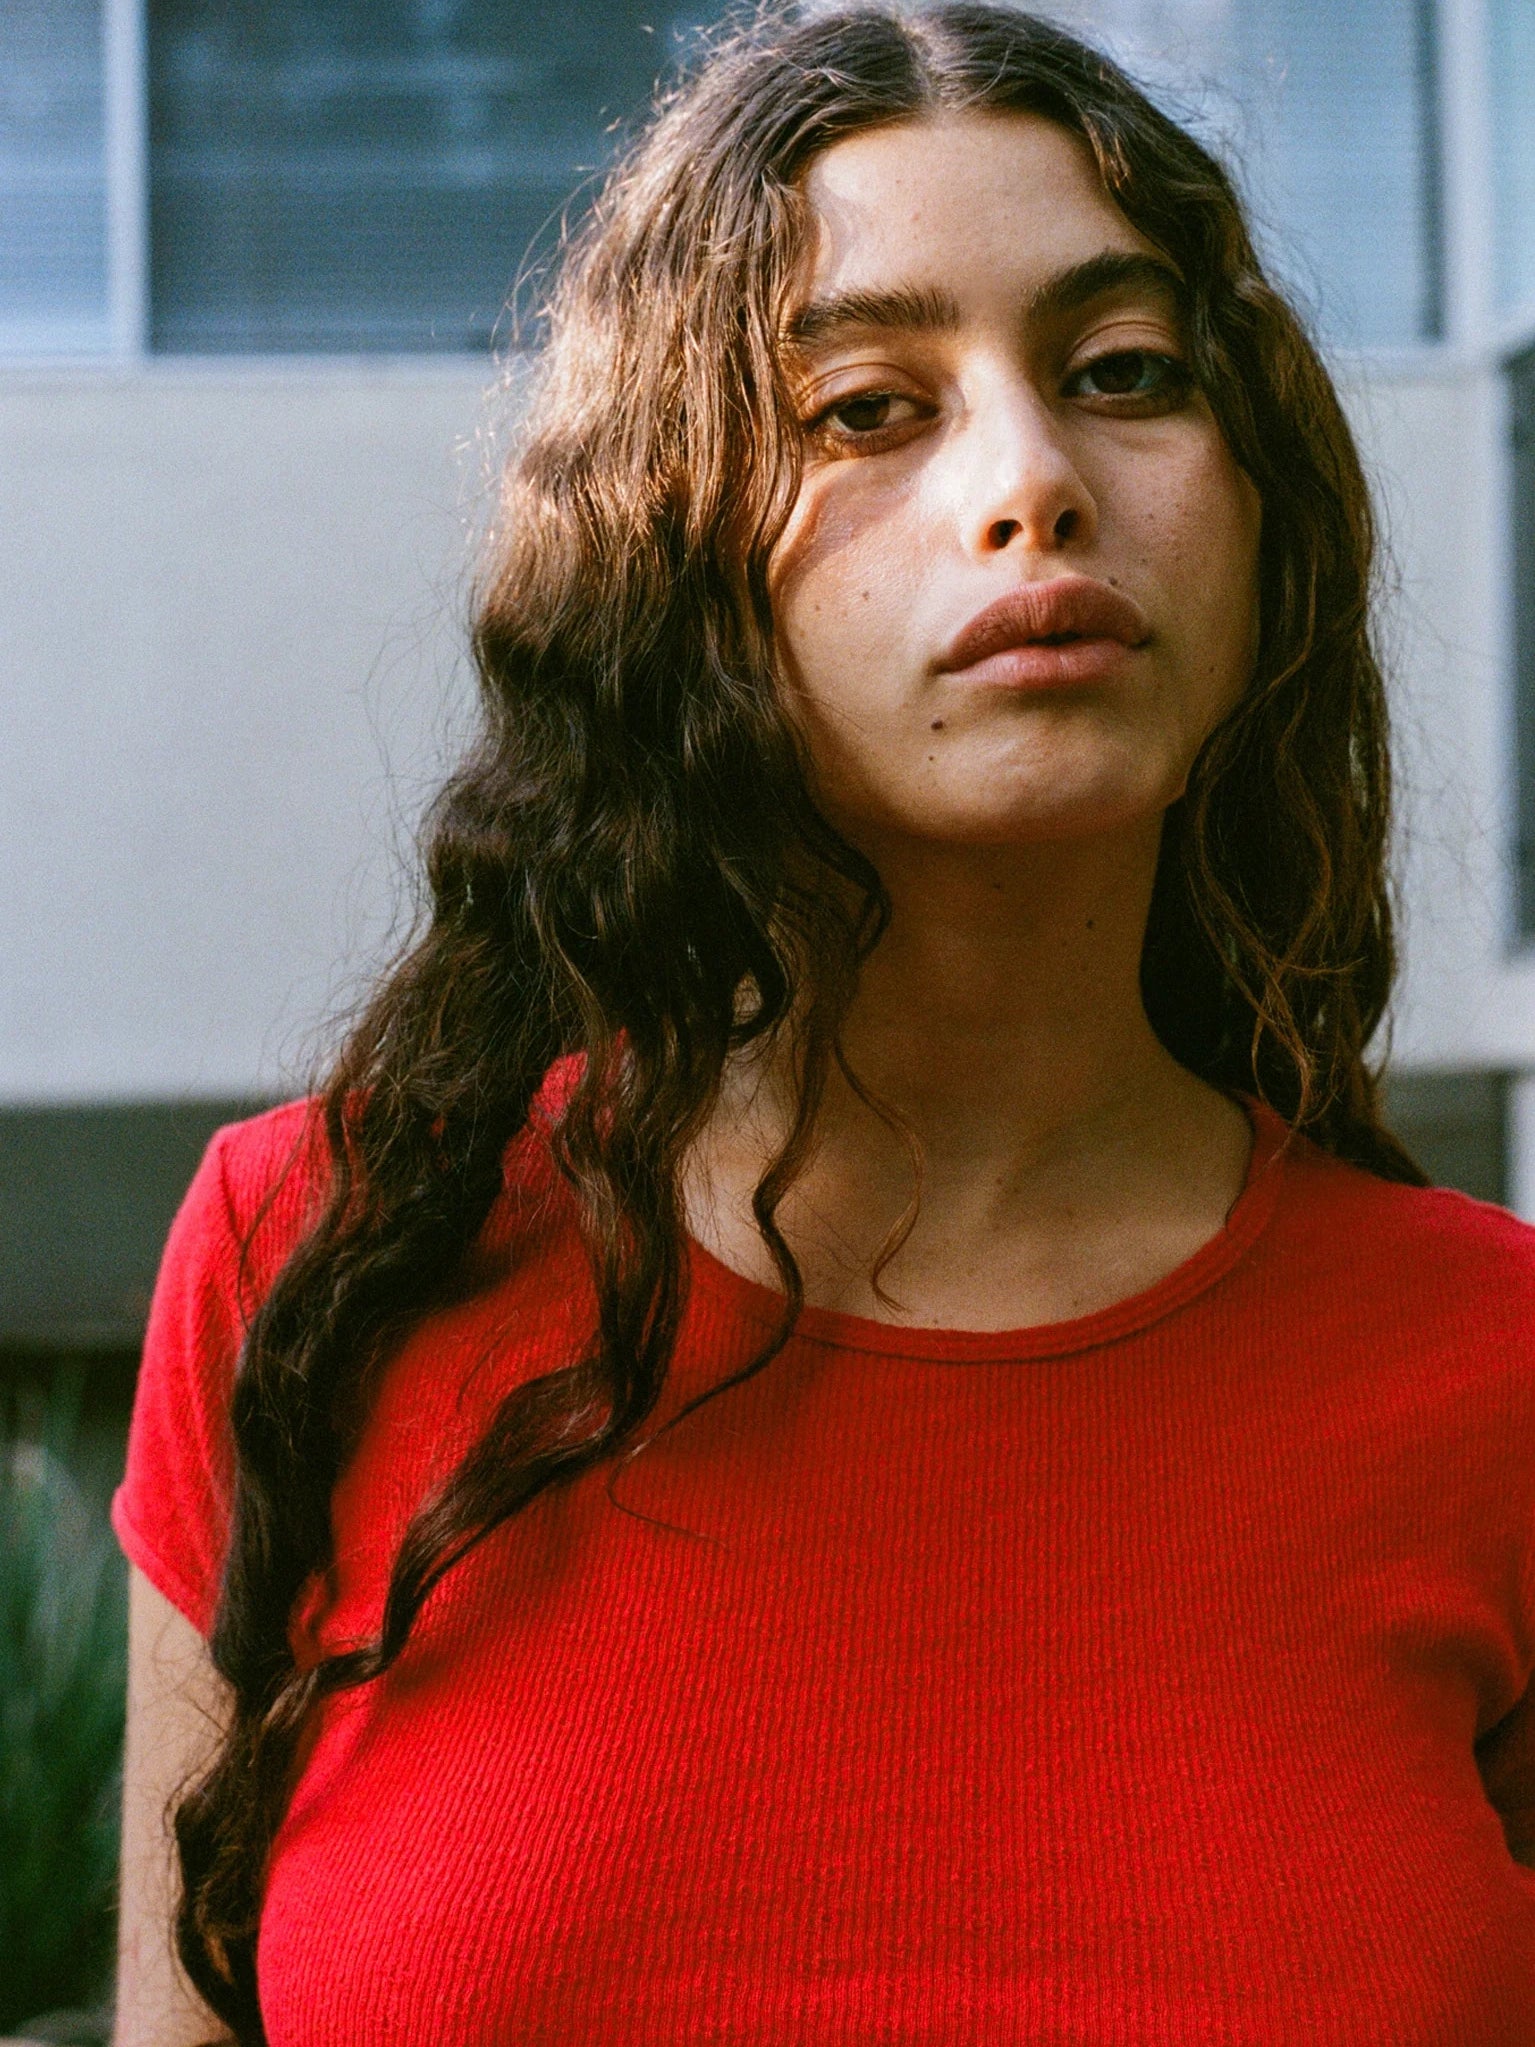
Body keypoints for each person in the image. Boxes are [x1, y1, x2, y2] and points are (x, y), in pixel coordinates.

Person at [111, 6, 1535, 2044]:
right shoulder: (321, 1261)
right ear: (661, 557)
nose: (1032, 482)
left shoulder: (1499, 1374)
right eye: (867, 407)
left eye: (1123, 373)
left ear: (1262, 510)